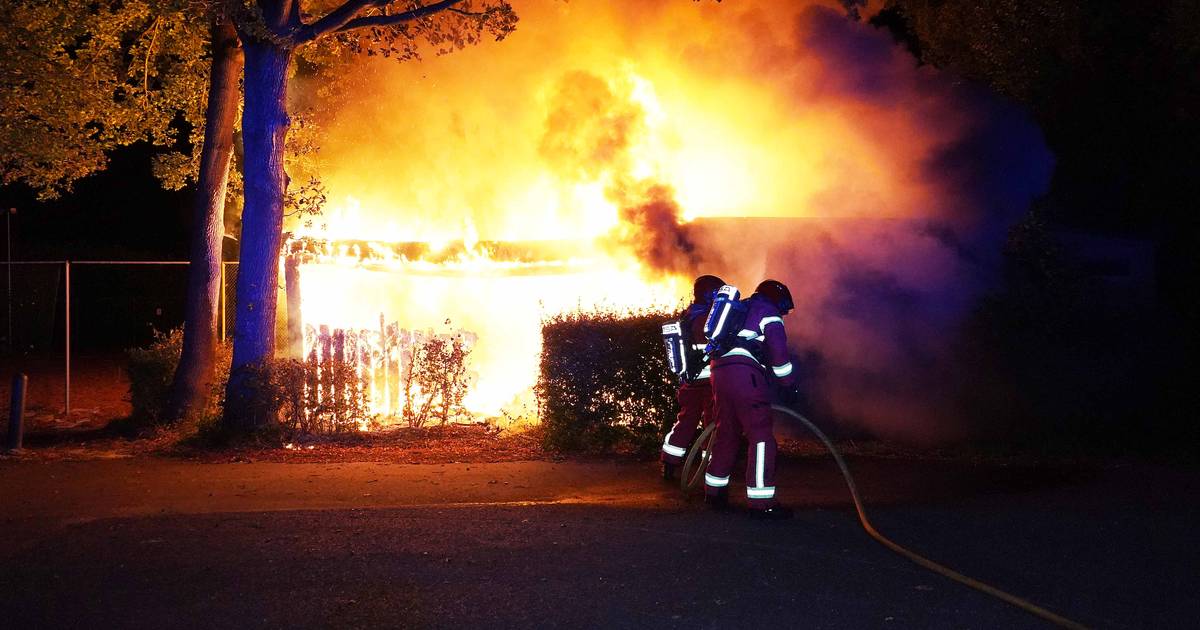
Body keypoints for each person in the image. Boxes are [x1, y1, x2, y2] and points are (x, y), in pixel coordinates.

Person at [704, 279, 798, 519]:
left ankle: (714, 492)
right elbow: (778, 352)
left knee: (726, 433)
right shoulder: (768, 312)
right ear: (778, 299)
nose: (783, 313)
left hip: (719, 373)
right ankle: (761, 502)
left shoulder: (740, 308)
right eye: (784, 308)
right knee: (761, 437)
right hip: (745, 375)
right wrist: (788, 385)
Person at [660, 274, 726, 480]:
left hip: (689, 383)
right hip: (707, 383)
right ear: (709, 295)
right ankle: (710, 468)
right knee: (712, 426)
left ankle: (669, 463)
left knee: (685, 422)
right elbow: (716, 347)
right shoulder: (706, 319)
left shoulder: (688, 315)